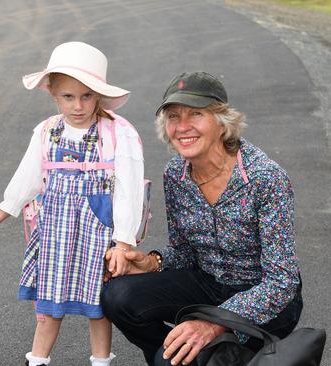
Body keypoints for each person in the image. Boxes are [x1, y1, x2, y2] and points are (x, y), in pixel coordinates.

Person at [100, 71, 303, 366]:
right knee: (117, 296)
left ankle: (213, 355)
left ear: (222, 122)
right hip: (208, 285)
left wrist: (214, 323)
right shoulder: (176, 174)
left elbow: (281, 282)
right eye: (173, 116)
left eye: (196, 114)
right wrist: (151, 262)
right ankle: (192, 355)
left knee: (171, 361)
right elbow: (185, 253)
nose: (182, 127)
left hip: (266, 300)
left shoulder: (265, 179)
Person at [0, 41, 145, 366]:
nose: (78, 105)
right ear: (53, 93)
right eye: (68, 97)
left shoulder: (116, 132)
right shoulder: (46, 131)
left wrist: (124, 241)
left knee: (98, 305)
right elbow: (28, 176)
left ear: (98, 94)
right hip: (56, 230)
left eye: (86, 96)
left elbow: (130, 189)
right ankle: (37, 360)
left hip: (99, 232)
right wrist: (1, 212)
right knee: (48, 304)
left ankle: (101, 361)